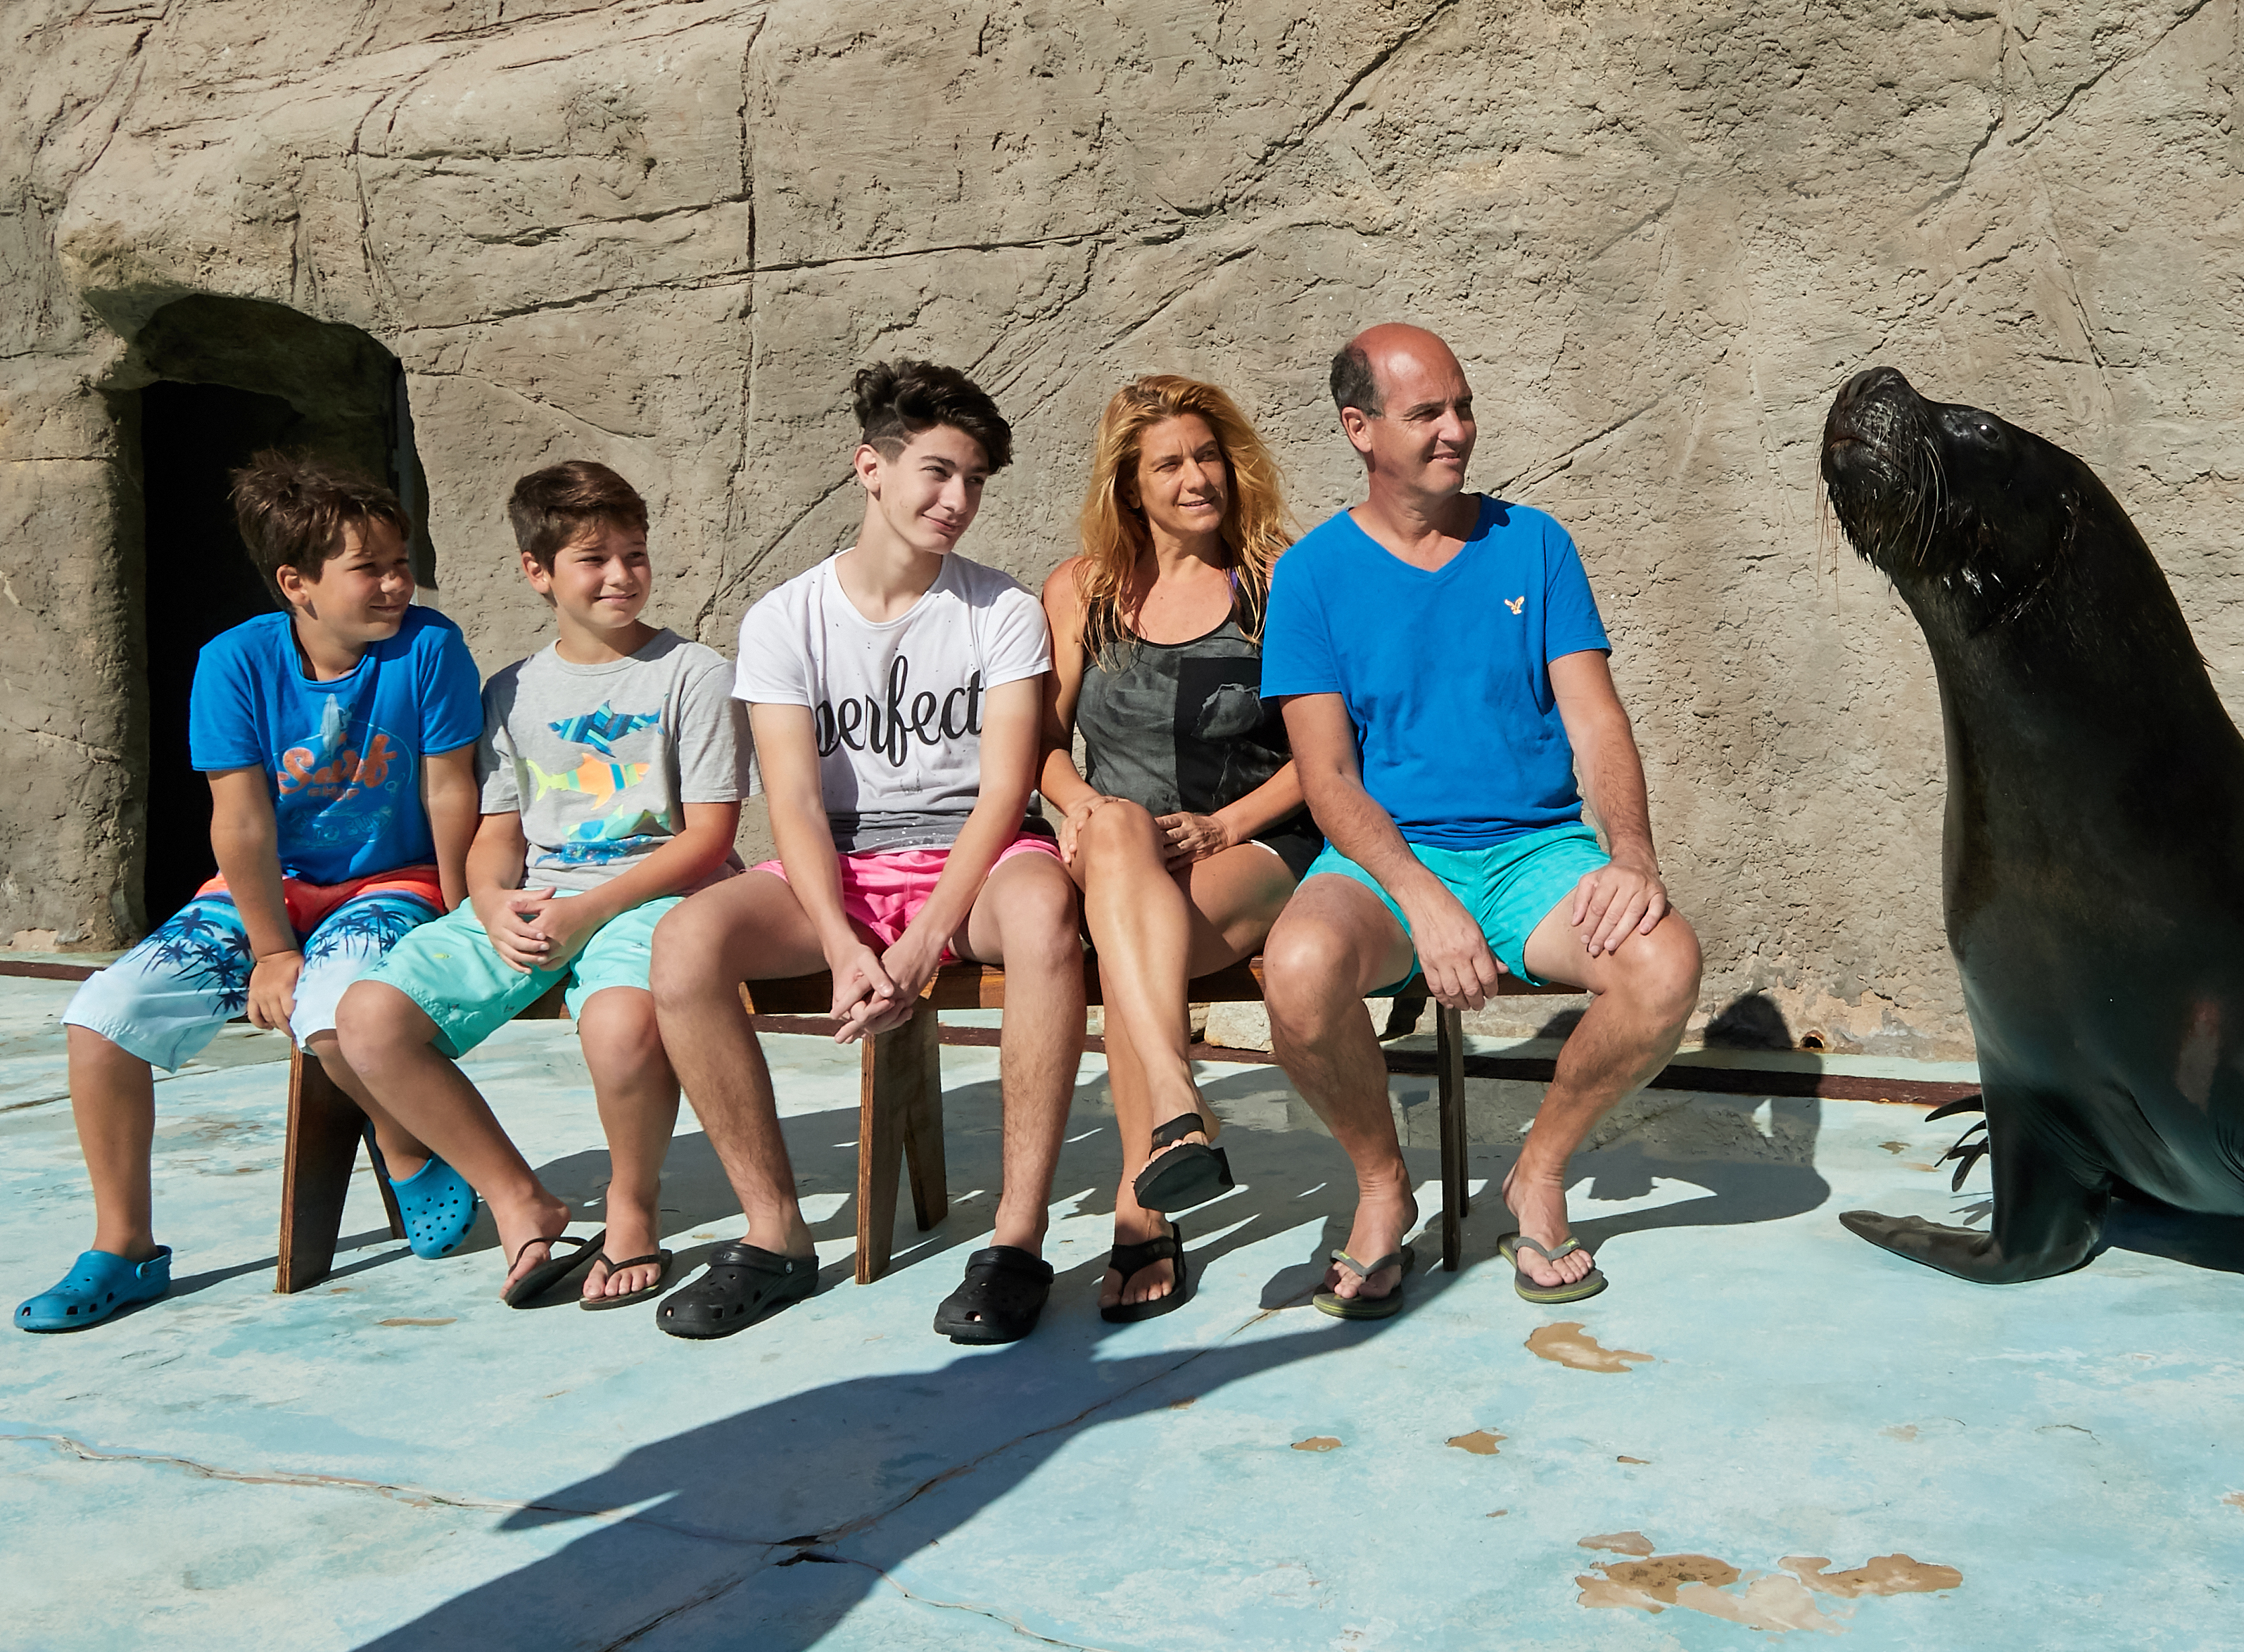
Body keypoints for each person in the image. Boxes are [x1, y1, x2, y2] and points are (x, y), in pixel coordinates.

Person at [1259, 324, 1702, 1319]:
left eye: (1461, 405)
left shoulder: (1533, 545)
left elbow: (1596, 723)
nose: (1456, 429)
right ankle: (1381, 1186)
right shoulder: (1312, 575)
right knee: (1295, 970)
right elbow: (1326, 778)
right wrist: (1421, 901)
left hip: (1533, 855)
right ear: (1358, 429)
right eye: (1426, 414)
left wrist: (1632, 854)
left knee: (1664, 964)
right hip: (1384, 862)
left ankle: (1536, 1173)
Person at [647, 360, 1086, 1343]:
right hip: (837, 868)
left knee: (1047, 913)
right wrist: (848, 948)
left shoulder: (1001, 612)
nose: (956, 500)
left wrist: (925, 940)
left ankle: (1015, 1242)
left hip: (972, 863)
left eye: (973, 480)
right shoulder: (784, 619)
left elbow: (1005, 795)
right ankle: (776, 1239)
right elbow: (794, 804)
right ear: (870, 468)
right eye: (936, 471)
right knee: (683, 944)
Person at [18, 455, 481, 1332]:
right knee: (105, 1015)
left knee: (336, 1009)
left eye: (400, 560)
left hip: (391, 882)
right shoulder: (234, 662)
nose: (396, 583)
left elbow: (449, 788)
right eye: (369, 568)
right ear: (296, 584)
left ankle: (408, 1143)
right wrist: (271, 948)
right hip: (271, 889)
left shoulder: (431, 648)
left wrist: (459, 916)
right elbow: (241, 823)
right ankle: (124, 1248)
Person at [331, 462, 747, 1310]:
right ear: (537, 571)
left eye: (635, 554)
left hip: (661, 894)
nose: (622, 576)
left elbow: (710, 838)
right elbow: (499, 833)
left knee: (621, 1024)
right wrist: (489, 903)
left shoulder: (691, 673)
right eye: (594, 560)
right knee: (367, 1020)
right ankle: (521, 1198)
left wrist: (592, 910)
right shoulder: (511, 691)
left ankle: (632, 1210)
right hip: (540, 897)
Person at [1039, 376, 1317, 1322]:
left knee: (1131, 955)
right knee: (1114, 829)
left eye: (1206, 457)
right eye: (1168, 464)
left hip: (1254, 838)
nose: (1195, 478)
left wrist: (1225, 825)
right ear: (1128, 484)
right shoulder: (1083, 592)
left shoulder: (1281, 579)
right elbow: (1042, 746)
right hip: (1119, 852)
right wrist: (1076, 804)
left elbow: (1331, 751)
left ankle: (1138, 1205)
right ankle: (1173, 1102)